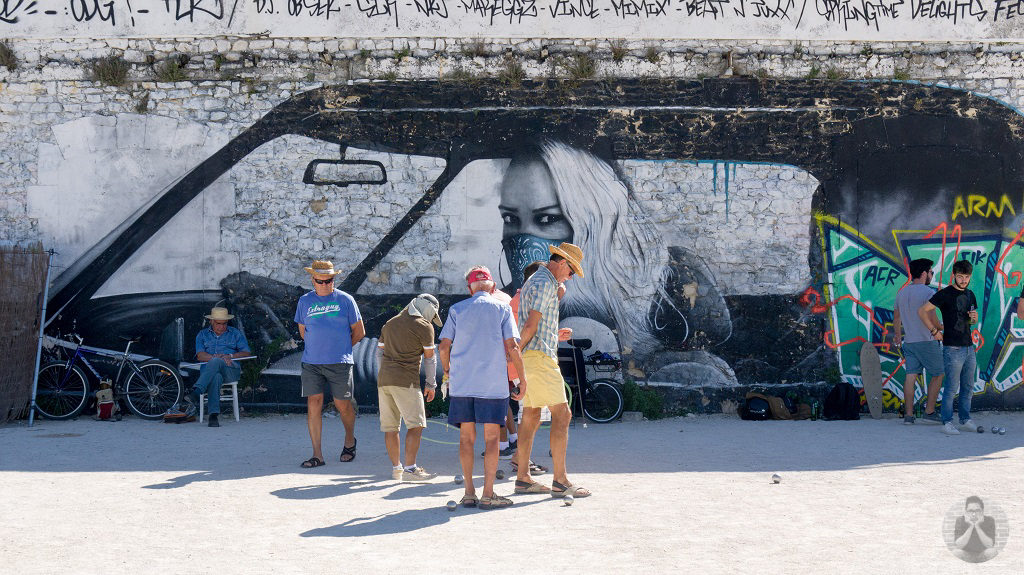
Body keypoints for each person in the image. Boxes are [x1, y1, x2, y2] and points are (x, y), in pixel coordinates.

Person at [497, 140, 731, 367]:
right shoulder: (504, 304)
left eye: (547, 219)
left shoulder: (661, 301)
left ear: (593, 221)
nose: (523, 238)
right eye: (510, 218)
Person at [438, 266, 527, 510]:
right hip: (492, 385)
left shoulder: (457, 309)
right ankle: (488, 493)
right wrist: (522, 378)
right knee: (491, 440)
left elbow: (443, 347)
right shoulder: (503, 309)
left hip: (463, 384)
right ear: (493, 287)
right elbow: (513, 347)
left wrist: (447, 370)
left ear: (470, 289)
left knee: (466, 439)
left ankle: (468, 493)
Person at [514, 243, 592, 499]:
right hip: (539, 357)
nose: (570, 277)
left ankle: (523, 478)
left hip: (533, 354)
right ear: (562, 263)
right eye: (571, 271)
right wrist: (512, 354)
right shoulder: (544, 283)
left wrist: (520, 353)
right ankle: (560, 480)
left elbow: (534, 322)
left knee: (532, 415)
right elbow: (530, 325)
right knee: (563, 413)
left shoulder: (540, 280)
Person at [294, 260, 365, 468]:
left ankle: (350, 440)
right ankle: (317, 454)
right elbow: (303, 331)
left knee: (343, 404)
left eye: (329, 281)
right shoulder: (304, 301)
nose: (325, 285)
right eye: (320, 281)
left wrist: (342, 347)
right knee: (313, 404)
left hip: (340, 362)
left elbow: (359, 331)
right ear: (312, 280)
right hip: (311, 362)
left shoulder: (346, 300)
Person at [377, 294, 442, 482]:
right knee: (416, 425)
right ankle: (411, 469)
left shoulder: (389, 323)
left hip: (384, 381)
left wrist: (384, 375)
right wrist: (431, 384)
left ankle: (396, 469)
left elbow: (379, 353)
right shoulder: (424, 326)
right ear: (428, 309)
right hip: (407, 381)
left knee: (391, 428)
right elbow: (430, 358)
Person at [918, 259, 980, 435]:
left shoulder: (970, 294)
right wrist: (934, 330)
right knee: (951, 387)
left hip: (969, 347)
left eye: (966, 277)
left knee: (968, 386)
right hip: (952, 348)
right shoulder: (944, 294)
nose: (963, 280)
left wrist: (973, 318)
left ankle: (965, 419)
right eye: (960, 276)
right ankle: (946, 422)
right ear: (954, 275)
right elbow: (922, 311)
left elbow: (971, 321)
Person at [166, 306, 251, 426]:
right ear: (211, 321)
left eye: (224, 324)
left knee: (216, 362)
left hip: (230, 370)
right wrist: (215, 358)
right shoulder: (202, 335)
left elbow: (246, 353)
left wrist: (230, 356)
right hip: (210, 373)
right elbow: (200, 356)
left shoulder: (235, 333)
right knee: (215, 376)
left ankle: (197, 391)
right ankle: (213, 416)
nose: (221, 327)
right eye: (218, 323)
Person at [891, 259, 944, 424]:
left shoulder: (902, 293)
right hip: (926, 341)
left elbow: (897, 317)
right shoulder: (928, 293)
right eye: (931, 272)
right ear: (923, 273)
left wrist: (898, 335)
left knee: (910, 377)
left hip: (910, 342)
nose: (931, 275)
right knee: (939, 373)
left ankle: (908, 415)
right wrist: (941, 328)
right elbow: (932, 318)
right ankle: (929, 411)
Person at [952, 496, 998, 562]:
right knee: (956, 552)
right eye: (970, 511)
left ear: (982, 511)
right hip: (966, 554)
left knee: (992, 551)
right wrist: (970, 526)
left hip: (983, 554)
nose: (974, 514)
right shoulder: (960, 520)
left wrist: (977, 526)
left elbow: (990, 545)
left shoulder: (989, 520)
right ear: (966, 512)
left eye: (977, 511)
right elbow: (959, 546)